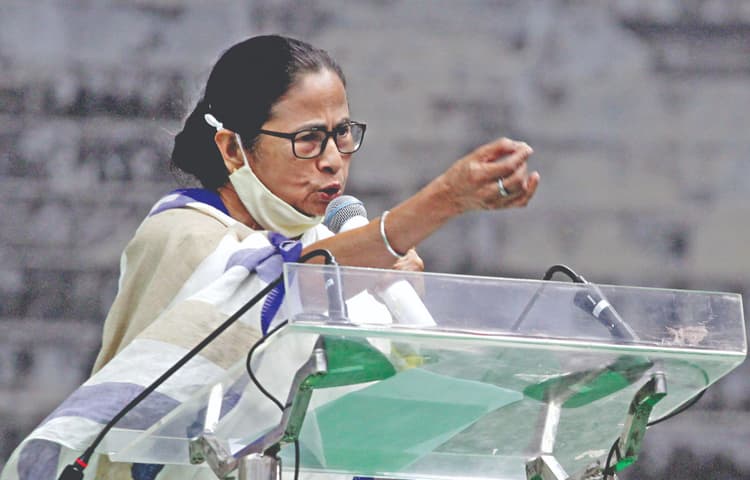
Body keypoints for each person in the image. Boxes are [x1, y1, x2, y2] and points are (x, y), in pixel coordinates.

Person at [1, 35, 538, 480]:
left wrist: (400, 323)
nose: (333, 160)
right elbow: (276, 283)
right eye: (308, 139)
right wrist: (442, 201)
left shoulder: (333, 245)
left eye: (342, 134)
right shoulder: (181, 232)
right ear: (233, 149)